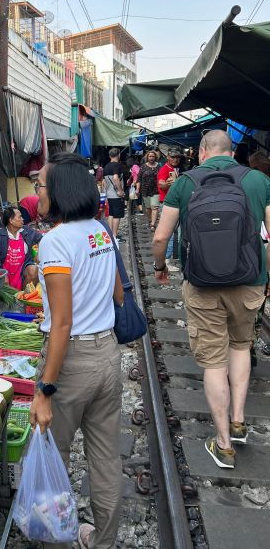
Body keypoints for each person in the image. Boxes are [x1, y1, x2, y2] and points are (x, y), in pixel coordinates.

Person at [153, 130, 270, 469]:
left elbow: (161, 236)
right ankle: (238, 421)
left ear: (203, 151)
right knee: (240, 346)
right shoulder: (259, 181)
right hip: (249, 282)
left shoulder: (185, 182)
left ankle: (223, 445)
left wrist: (161, 267)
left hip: (203, 284)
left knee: (214, 361)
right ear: (232, 152)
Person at [31, 152, 124, 549]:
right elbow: (119, 294)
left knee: (57, 458)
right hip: (108, 355)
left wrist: (44, 390)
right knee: (106, 460)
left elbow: (63, 325)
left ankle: (56, 540)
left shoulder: (54, 242)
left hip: (72, 364)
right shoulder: (101, 231)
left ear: (58, 191)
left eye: (40, 186)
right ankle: (102, 542)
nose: (37, 194)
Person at [0, 207, 41, 290]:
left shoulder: (26, 231)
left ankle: (24, 296)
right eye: (19, 217)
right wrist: (2, 273)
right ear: (11, 220)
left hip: (22, 268)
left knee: (34, 270)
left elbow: (41, 238)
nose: (22, 219)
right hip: (5, 269)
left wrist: (39, 253)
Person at [157, 147, 182, 262]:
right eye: (173, 157)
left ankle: (172, 257)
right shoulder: (164, 169)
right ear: (168, 157)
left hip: (175, 203)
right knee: (169, 232)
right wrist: (168, 184)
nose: (175, 159)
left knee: (175, 231)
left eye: (177, 157)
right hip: (168, 204)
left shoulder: (177, 169)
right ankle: (165, 259)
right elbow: (161, 184)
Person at [103, 148, 125, 238]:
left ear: (110, 156)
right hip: (116, 195)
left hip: (109, 194)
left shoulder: (106, 166)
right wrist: (120, 191)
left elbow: (104, 182)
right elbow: (116, 178)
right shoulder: (117, 165)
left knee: (111, 214)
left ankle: (111, 234)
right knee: (117, 215)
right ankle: (115, 236)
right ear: (118, 155)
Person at [136, 150, 160, 231]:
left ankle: (153, 224)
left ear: (155, 157)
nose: (151, 158)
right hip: (145, 190)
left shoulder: (159, 166)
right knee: (148, 208)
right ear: (147, 157)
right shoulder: (143, 167)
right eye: (150, 156)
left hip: (156, 190)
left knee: (155, 207)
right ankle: (150, 220)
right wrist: (137, 189)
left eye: (153, 156)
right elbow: (139, 179)